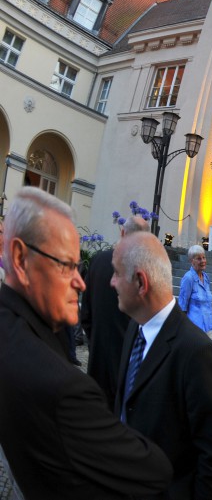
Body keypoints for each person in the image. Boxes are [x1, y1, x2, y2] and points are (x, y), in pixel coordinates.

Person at [0, 187, 173, 498]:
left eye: (78, 267)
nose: (79, 282)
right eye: (66, 265)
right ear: (19, 258)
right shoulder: (63, 387)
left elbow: (88, 318)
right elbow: (153, 470)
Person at [112, 230, 212, 499]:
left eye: (116, 273)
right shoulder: (133, 332)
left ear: (140, 282)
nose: (111, 282)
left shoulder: (198, 353)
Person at [80, 215, 148, 409]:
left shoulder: (97, 261)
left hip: (98, 356)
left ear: (122, 232)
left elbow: (85, 313)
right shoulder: (144, 270)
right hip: (129, 364)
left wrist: (96, 340)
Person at [178, 244, 212, 337]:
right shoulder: (188, 278)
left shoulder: (206, 277)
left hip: (208, 327)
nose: (203, 261)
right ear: (192, 261)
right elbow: (182, 306)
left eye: (204, 257)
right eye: (199, 259)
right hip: (194, 329)